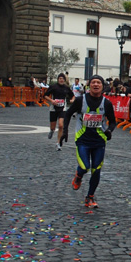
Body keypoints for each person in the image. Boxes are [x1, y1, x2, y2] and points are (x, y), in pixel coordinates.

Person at [60, 75, 116, 208]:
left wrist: (109, 131)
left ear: (102, 86)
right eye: (93, 82)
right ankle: (78, 175)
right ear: (89, 85)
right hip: (82, 140)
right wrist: (65, 131)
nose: (96, 85)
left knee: (96, 170)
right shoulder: (80, 100)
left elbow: (113, 122)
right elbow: (68, 114)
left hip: (99, 141)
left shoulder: (106, 103)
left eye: (99, 83)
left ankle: (90, 197)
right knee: (85, 167)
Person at [44, 73, 74, 150]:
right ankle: (51, 130)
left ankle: (58, 143)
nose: (61, 80)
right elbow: (45, 95)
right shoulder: (53, 87)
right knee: (53, 127)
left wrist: (72, 100)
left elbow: (72, 95)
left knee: (61, 125)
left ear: (64, 80)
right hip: (54, 108)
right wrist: (51, 100)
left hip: (62, 107)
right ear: (58, 79)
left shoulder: (66, 88)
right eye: (60, 78)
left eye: (62, 79)